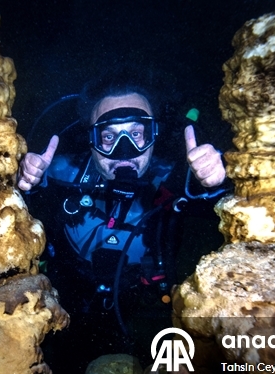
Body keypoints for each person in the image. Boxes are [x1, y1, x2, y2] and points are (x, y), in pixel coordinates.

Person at [17, 77, 228, 351]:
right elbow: (14, 200)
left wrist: (217, 183)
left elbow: (229, 212)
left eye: (136, 133)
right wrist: (23, 179)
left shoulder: (176, 184)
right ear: (91, 140)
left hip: (143, 303)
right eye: (108, 136)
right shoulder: (60, 174)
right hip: (64, 296)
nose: (124, 150)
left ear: (153, 136)